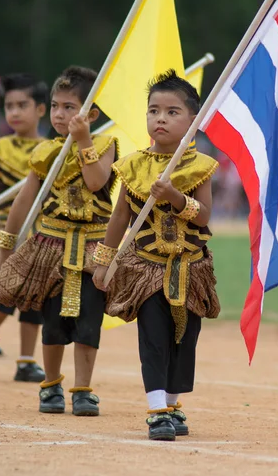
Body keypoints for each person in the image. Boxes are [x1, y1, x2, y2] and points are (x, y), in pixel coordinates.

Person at [93, 70, 220, 441]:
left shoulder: (201, 166)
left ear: (193, 121)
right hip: (146, 267)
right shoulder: (132, 166)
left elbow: (206, 215)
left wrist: (176, 198)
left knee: (185, 337)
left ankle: (174, 404)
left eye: (172, 112)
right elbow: (120, 217)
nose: (160, 118)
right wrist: (103, 260)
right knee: (153, 336)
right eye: (154, 111)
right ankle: (156, 409)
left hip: (190, 267)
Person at [0, 66, 118, 416]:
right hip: (50, 248)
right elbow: (25, 200)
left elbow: (95, 183)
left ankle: (82, 389)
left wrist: (82, 141)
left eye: (69, 107)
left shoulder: (106, 145)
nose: (61, 114)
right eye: (56, 106)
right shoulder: (45, 151)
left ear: (90, 114)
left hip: (92, 249)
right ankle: (50, 385)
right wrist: (7, 240)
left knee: (88, 322)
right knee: (52, 321)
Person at [0, 73, 47, 384]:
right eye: (9, 106)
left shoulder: (52, 150)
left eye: (22, 105)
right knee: (4, 294)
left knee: (34, 298)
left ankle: (26, 360)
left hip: (38, 236)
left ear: (40, 109)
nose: (14, 112)